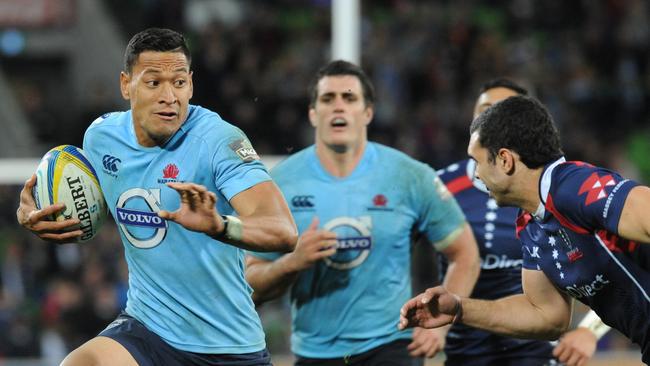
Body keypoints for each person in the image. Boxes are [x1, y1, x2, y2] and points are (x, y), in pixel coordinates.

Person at [16, 28, 297, 366]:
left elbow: (283, 231)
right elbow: (87, 205)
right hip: (147, 330)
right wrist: (37, 216)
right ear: (125, 85)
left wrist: (219, 225)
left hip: (226, 345)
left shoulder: (218, 142)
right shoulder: (101, 137)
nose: (169, 96)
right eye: (153, 83)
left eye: (178, 83)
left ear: (190, 85)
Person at [245, 60, 480, 365]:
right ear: (313, 114)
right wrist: (292, 262)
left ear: (368, 112)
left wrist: (441, 326)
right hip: (314, 353)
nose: (338, 107)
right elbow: (251, 286)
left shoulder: (410, 176)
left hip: (391, 346)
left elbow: (465, 254)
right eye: (328, 99)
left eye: (349, 98)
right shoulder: (281, 183)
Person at [398, 95, 650, 365]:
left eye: (478, 161)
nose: (476, 175)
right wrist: (459, 307)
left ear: (505, 160)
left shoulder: (574, 187)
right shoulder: (530, 226)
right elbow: (546, 317)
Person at [437, 78, 610, 366]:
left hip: (537, 355)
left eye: (501, 112)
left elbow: (615, 265)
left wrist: (589, 330)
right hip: (464, 356)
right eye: (483, 112)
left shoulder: (563, 193)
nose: (489, 121)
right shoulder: (439, 186)